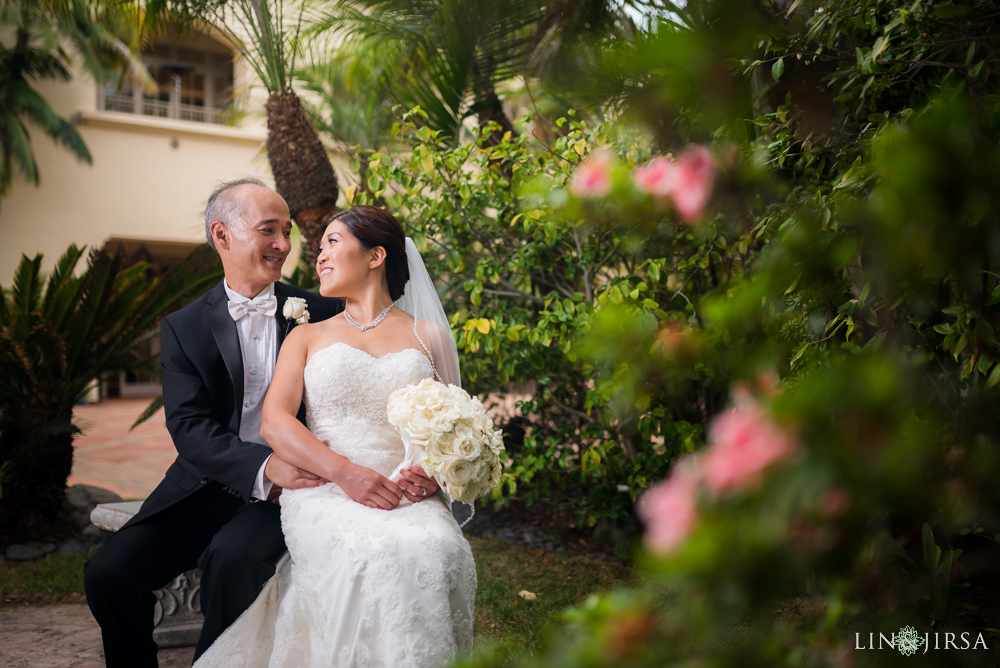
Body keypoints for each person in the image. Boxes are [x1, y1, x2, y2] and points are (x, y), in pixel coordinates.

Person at [193, 205, 476, 668]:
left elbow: (458, 420)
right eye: (320, 244)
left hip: (405, 491)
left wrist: (435, 472)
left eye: (332, 242)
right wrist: (345, 474)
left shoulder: (430, 336)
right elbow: (276, 422)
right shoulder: (306, 337)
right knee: (370, 552)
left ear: (375, 256)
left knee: (434, 547)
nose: (318, 255)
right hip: (326, 486)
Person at [84, 178, 343, 667]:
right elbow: (189, 427)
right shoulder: (183, 327)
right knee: (108, 573)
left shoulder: (323, 311)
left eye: (287, 231)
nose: (285, 245)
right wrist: (266, 469)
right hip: (202, 486)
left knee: (233, 558)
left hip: (293, 492)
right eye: (269, 230)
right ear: (222, 236)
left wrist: (301, 470)